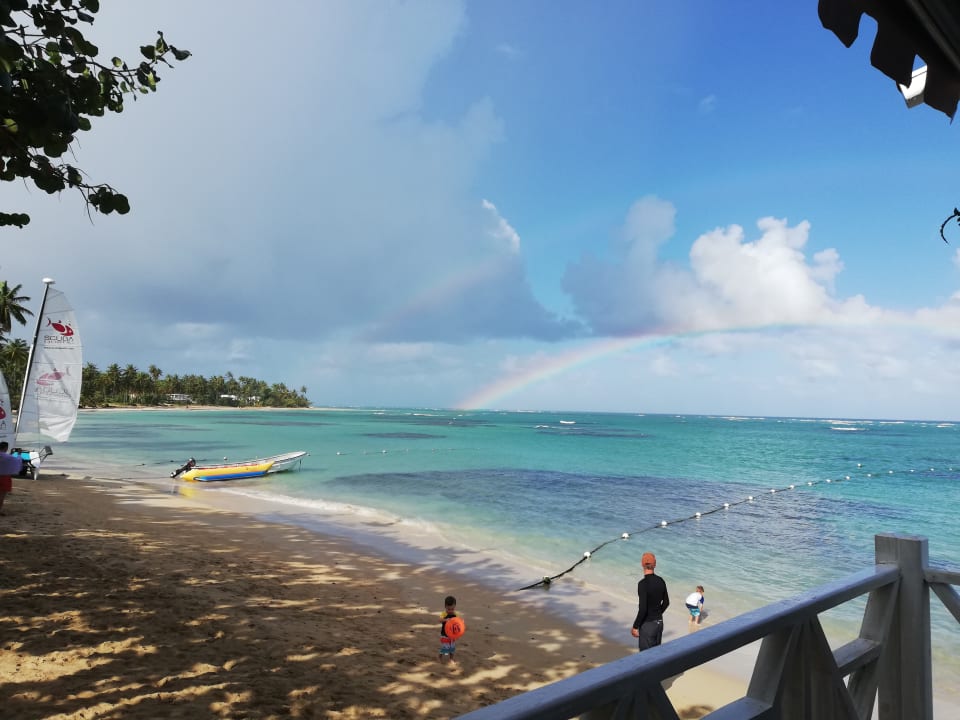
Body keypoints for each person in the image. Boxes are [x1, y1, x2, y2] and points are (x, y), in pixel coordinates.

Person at [631, 551, 669, 650]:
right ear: (655, 564)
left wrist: (635, 626)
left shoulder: (642, 584)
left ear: (642, 564)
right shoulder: (661, 581)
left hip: (648, 625)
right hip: (659, 623)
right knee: (656, 654)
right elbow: (666, 603)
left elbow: (643, 608)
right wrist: (657, 614)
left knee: (646, 657)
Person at [439, 595, 460, 663]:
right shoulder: (444, 614)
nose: (450, 611)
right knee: (445, 647)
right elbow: (440, 620)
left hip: (452, 634)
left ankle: (451, 659)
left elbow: (458, 623)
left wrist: (460, 623)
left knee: (452, 648)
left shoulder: (455, 614)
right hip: (444, 634)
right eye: (449, 609)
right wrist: (446, 620)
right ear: (445, 606)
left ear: (454, 607)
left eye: (452, 609)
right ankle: (440, 656)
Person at [0, 441, 17, 515]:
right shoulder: (9, 457)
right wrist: (18, 455)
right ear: (6, 448)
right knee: (2, 495)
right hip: (4, 477)